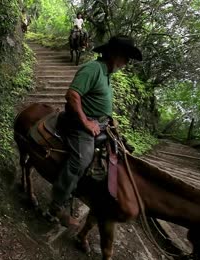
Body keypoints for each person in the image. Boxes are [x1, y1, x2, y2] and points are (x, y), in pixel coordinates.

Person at [48, 35, 143, 227]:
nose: (126, 62)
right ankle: (57, 205)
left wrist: (109, 122)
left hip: (100, 123)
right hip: (78, 125)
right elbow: (72, 95)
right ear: (114, 54)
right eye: (125, 57)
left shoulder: (107, 74)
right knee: (82, 159)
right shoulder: (92, 69)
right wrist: (86, 122)